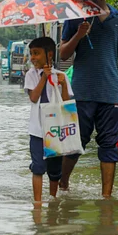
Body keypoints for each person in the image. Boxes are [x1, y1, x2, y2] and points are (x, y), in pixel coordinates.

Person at [58, 0, 118, 199]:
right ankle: (63, 183)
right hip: (82, 92)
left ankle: (106, 198)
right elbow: (63, 54)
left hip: (111, 93)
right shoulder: (75, 17)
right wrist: (78, 35)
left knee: (109, 145)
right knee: (76, 143)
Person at [24, 36, 74, 204]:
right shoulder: (31, 75)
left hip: (56, 130)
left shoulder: (61, 76)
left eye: (37, 53)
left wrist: (64, 85)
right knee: (37, 167)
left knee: (54, 169)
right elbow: (34, 97)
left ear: (50, 54)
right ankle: (37, 204)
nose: (33, 58)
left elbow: (67, 104)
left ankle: (53, 200)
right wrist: (44, 78)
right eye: (31, 53)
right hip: (37, 130)